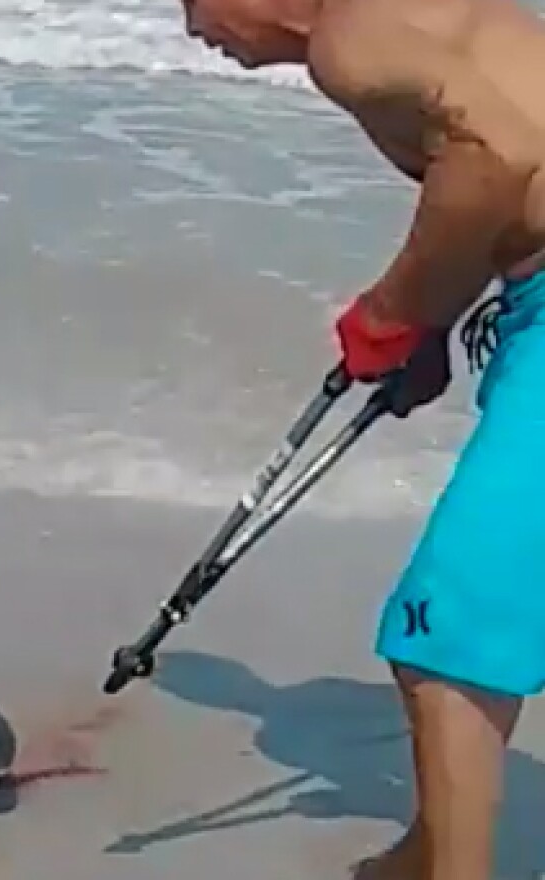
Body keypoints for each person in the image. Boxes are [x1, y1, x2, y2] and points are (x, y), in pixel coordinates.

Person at [178, 0, 545, 877]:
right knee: (479, 613)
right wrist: (432, 325)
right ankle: (432, 851)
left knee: (444, 628)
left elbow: (499, 158)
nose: (193, 28)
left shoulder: (347, 33)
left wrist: (392, 311)